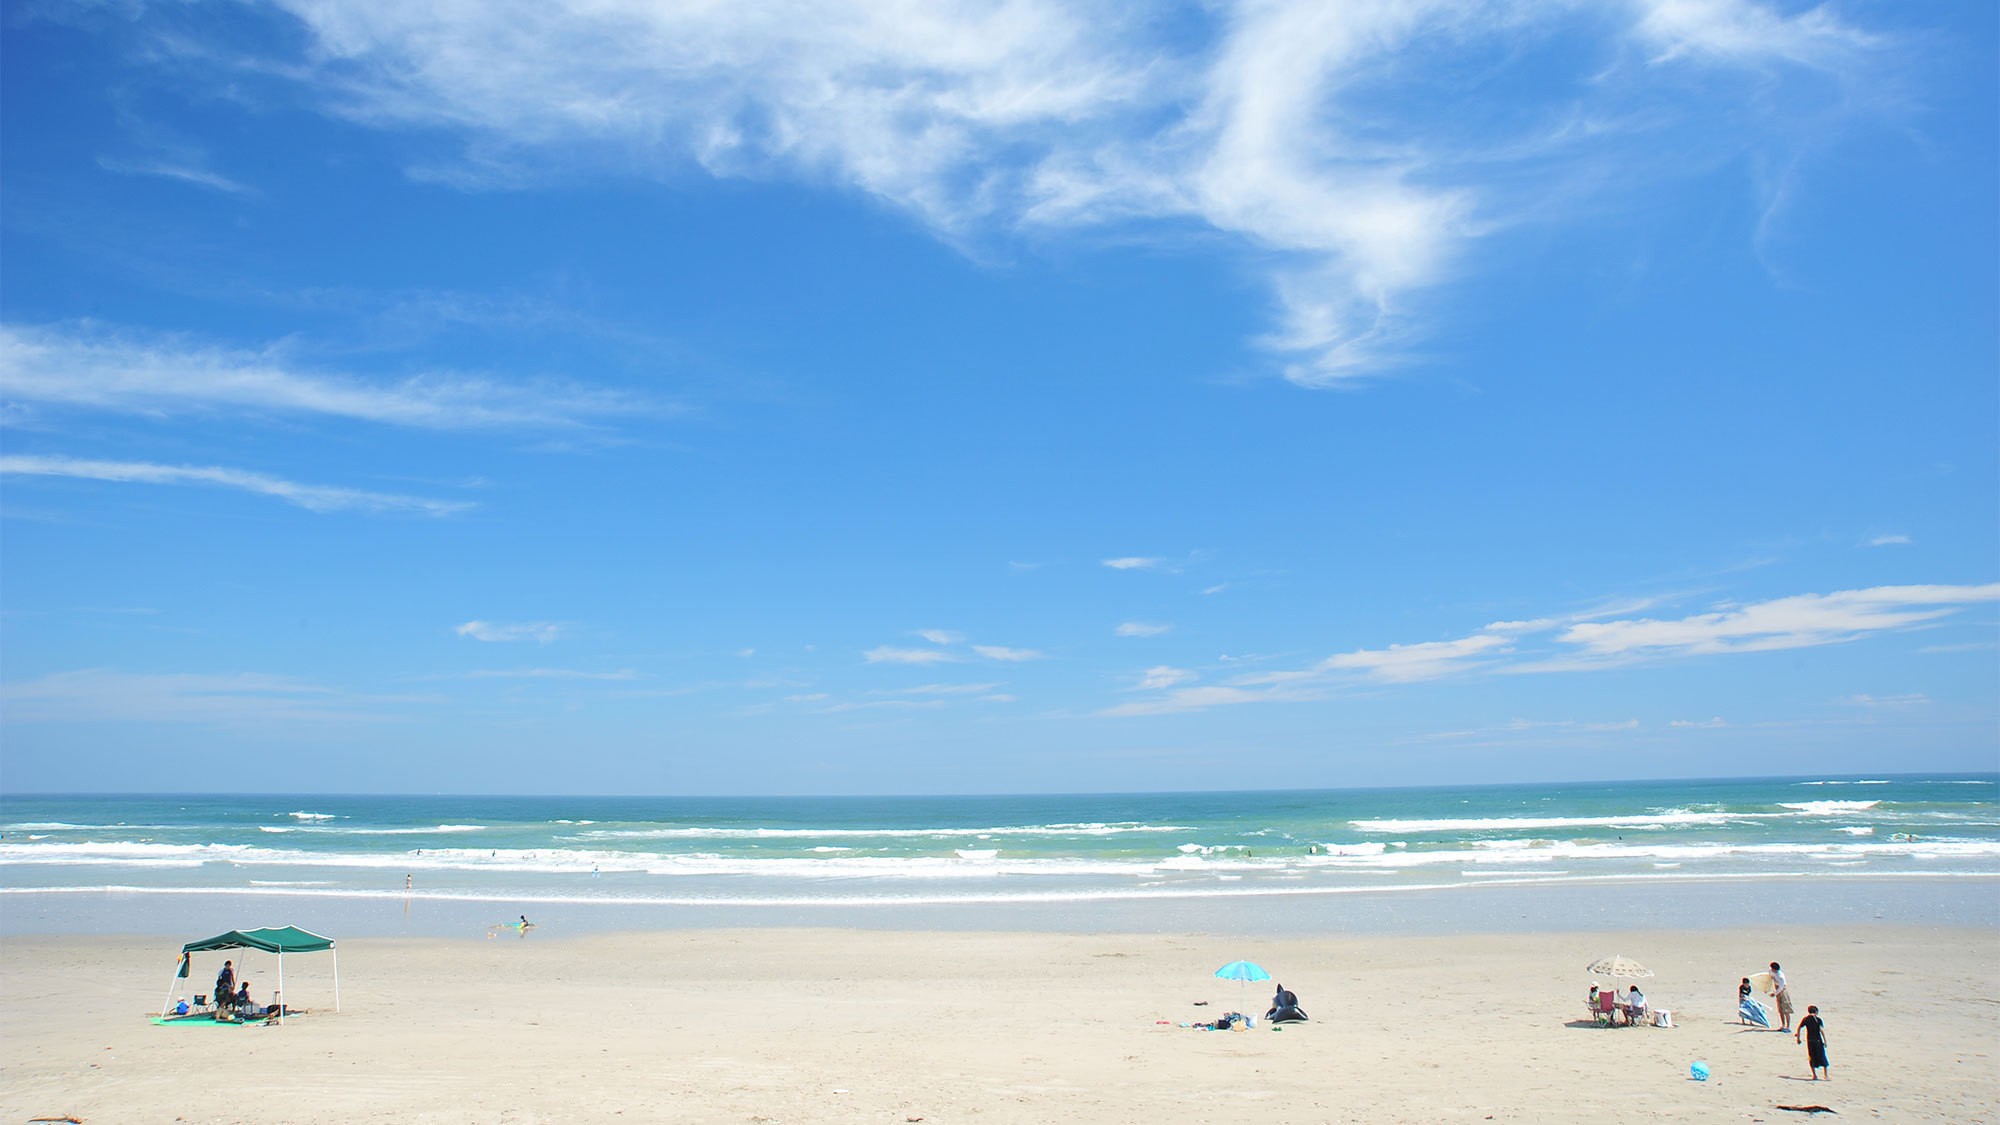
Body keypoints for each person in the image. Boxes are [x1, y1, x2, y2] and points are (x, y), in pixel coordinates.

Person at [1796, 1005, 1830, 1079]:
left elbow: (1799, 1028)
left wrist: (1798, 1038)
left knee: (1812, 1057)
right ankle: (1826, 1075)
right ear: (1816, 1012)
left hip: (1810, 1041)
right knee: (1822, 1056)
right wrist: (1825, 1040)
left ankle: (1814, 1075)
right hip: (1818, 1040)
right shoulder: (1818, 1019)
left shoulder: (1805, 1019)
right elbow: (1821, 1030)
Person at [1771, 962, 1794, 1032]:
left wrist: (1774, 994)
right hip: (1777, 989)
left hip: (1782, 991)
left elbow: (1781, 987)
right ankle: (1783, 1025)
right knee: (1780, 1010)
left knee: (1786, 1009)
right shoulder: (1771, 971)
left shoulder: (1780, 976)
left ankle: (1788, 1026)